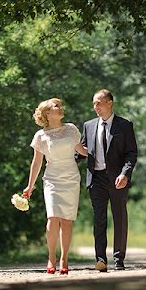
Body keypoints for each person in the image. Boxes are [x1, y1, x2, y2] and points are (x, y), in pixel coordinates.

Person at [23, 98, 88, 274]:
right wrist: (29, 187)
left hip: (71, 178)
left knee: (67, 221)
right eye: (56, 106)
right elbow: (36, 163)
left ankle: (64, 259)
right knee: (52, 218)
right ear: (47, 114)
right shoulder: (40, 136)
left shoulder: (71, 129)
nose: (60, 108)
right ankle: (51, 257)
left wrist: (103, 156)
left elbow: (82, 151)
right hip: (52, 179)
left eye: (60, 105)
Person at [77, 89, 137, 272]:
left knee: (119, 218)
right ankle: (101, 259)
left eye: (99, 103)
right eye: (94, 104)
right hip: (96, 179)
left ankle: (119, 259)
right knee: (99, 219)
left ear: (110, 102)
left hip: (118, 178)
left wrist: (125, 174)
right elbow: (80, 152)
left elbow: (131, 153)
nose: (96, 107)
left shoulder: (124, 125)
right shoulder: (88, 126)